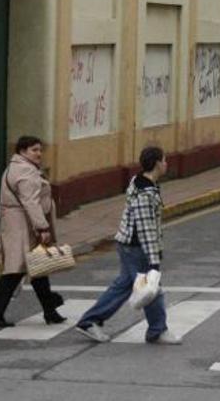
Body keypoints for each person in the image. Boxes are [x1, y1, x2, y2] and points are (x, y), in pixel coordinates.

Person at [74, 146, 181, 345]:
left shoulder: (141, 181)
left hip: (129, 244)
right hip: (135, 247)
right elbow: (145, 229)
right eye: (164, 160)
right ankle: (158, 330)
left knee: (125, 285)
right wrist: (154, 261)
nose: (167, 164)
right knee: (151, 287)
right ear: (157, 163)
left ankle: (89, 321)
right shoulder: (144, 192)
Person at [0, 136, 65, 327]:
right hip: (23, 225)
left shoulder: (19, 167)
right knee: (15, 270)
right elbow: (31, 202)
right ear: (22, 151)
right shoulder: (25, 171)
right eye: (34, 150)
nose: (38, 153)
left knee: (37, 267)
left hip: (21, 224)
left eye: (39, 150)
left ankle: (49, 310)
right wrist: (42, 227)